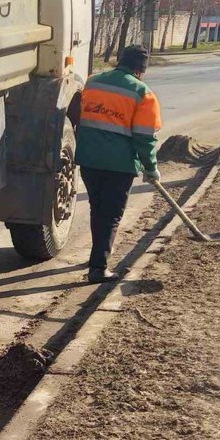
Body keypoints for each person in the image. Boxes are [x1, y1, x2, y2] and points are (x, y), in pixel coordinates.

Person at [75, 44, 162, 283]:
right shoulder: (142, 93)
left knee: (98, 209)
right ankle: (98, 269)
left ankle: (96, 255)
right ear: (141, 69)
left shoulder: (93, 82)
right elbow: (145, 138)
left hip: (89, 162)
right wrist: (151, 168)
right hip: (118, 166)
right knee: (111, 215)